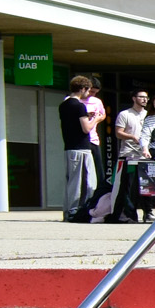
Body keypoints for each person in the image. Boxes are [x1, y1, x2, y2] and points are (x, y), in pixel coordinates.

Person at [59, 73, 99, 223]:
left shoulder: (64, 105)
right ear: (82, 89)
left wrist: (86, 115)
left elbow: (72, 122)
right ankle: (76, 210)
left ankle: (68, 210)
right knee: (86, 181)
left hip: (69, 147)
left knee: (72, 180)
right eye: (88, 90)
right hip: (81, 147)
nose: (88, 93)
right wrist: (95, 119)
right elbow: (86, 128)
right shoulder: (80, 106)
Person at [110, 86, 151, 223]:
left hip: (145, 156)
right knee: (129, 187)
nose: (144, 99)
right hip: (129, 155)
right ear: (134, 98)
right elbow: (118, 133)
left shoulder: (149, 115)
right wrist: (132, 137)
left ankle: (148, 213)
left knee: (147, 186)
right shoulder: (125, 114)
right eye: (141, 97)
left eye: (146, 97)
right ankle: (130, 214)